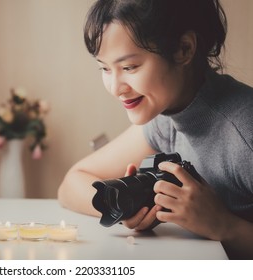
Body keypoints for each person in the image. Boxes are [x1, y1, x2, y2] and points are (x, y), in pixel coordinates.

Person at [57, 0, 253, 259]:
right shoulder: (166, 116)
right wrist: (128, 209)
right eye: (104, 68)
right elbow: (71, 185)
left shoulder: (244, 132)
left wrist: (223, 226)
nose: (115, 88)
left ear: (184, 49)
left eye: (129, 67)